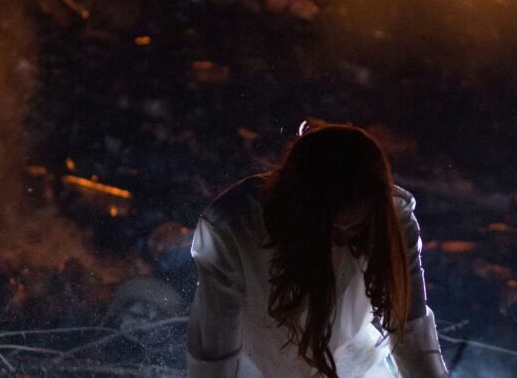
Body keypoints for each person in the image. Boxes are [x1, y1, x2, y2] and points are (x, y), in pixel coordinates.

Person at [187, 123, 450, 378]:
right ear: (302, 210)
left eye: (356, 227)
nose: (344, 240)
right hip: (254, 366)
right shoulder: (232, 228)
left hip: (351, 364)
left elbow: (410, 329)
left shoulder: (392, 221)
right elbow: (214, 353)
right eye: (334, 230)